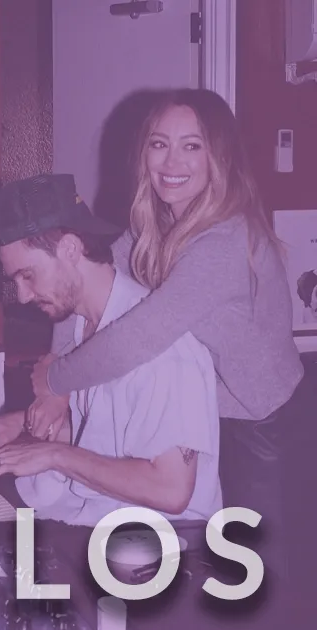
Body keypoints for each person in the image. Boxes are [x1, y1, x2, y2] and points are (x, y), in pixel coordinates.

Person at [22, 89, 309, 617]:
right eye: (159, 144)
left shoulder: (224, 242)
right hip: (215, 410)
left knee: (265, 588)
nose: (172, 162)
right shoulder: (153, 223)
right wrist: (58, 388)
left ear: (219, 156)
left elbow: (137, 337)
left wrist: (56, 379)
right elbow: (88, 287)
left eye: (192, 146)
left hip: (263, 426)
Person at [0, 174, 222, 527]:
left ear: (71, 249)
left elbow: (171, 490)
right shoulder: (83, 326)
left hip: (162, 539)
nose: (24, 296)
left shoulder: (164, 353)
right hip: (93, 516)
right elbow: (109, 434)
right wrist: (20, 425)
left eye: (28, 275)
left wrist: (55, 454)